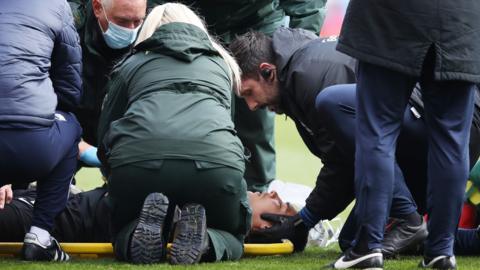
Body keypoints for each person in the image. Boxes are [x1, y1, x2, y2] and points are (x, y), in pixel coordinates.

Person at [230, 28, 427, 254]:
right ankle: (467, 239)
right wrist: (304, 220)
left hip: (427, 125)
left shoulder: (307, 76)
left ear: (268, 72)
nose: (252, 106)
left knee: (331, 103)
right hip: (424, 129)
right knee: (354, 240)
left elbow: (342, 161)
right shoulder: (299, 71)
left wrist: (305, 218)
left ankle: (407, 218)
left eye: (249, 93)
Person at [97, 3, 249, 264]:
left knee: (121, 227)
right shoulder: (223, 66)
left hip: (139, 163)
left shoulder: (131, 64)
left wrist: (115, 175)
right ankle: (206, 241)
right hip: (215, 163)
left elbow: (106, 133)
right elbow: (227, 125)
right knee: (233, 236)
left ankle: (134, 234)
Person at [335, 1, 480, 269]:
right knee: (451, 141)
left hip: (390, 16)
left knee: (377, 131)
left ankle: (368, 247)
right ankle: (441, 251)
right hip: (462, 19)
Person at [146, 0, 328, 192]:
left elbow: (308, 4)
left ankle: (255, 196)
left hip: (259, 19)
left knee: (257, 114)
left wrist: (297, 63)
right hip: (190, 20)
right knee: (191, 111)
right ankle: (185, 195)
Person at [0, 0, 82, 262]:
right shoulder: (56, 5)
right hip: (30, 146)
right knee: (70, 125)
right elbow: (69, 83)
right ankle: (40, 235)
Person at [66, 0, 146, 153]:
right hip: (69, 130)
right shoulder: (67, 27)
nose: (131, 30)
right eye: (122, 21)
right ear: (97, 7)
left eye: (137, 21)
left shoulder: (152, 32)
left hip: (121, 139)